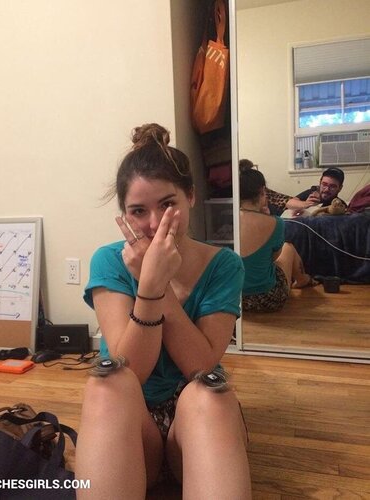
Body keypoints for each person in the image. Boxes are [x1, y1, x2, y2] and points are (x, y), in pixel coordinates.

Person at [75, 123, 251, 499]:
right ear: (124, 214)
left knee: (210, 392)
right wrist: (150, 287)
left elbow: (199, 366)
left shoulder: (224, 265)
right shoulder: (109, 260)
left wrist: (156, 284)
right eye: (138, 211)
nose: (155, 225)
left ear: (191, 196)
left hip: (195, 420)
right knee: (107, 385)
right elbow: (131, 370)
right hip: (133, 420)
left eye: (168, 204)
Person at [239, 165, 317, 313]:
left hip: (236, 299)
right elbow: (274, 258)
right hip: (268, 299)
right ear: (262, 191)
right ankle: (302, 279)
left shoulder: (229, 219)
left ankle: (303, 279)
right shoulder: (276, 223)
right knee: (289, 247)